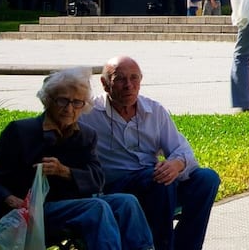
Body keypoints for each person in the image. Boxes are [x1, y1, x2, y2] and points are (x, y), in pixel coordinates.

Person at [0, 67, 156, 250]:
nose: (69, 109)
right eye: (62, 101)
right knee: (97, 208)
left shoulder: (85, 136)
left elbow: (97, 181)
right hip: (35, 211)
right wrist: (11, 200)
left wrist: (64, 171)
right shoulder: (21, 131)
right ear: (48, 100)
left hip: (73, 206)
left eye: (77, 103)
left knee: (127, 202)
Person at [88, 56, 222, 250]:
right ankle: (161, 246)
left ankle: (186, 246)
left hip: (155, 184)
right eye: (120, 79)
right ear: (105, 83)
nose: (129, 85)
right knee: (159, 180)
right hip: (118, 187)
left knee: (207, 179)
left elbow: (182, 150)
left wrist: (177, 164)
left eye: (134, 78)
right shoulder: (89, 113)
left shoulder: (154, 110)